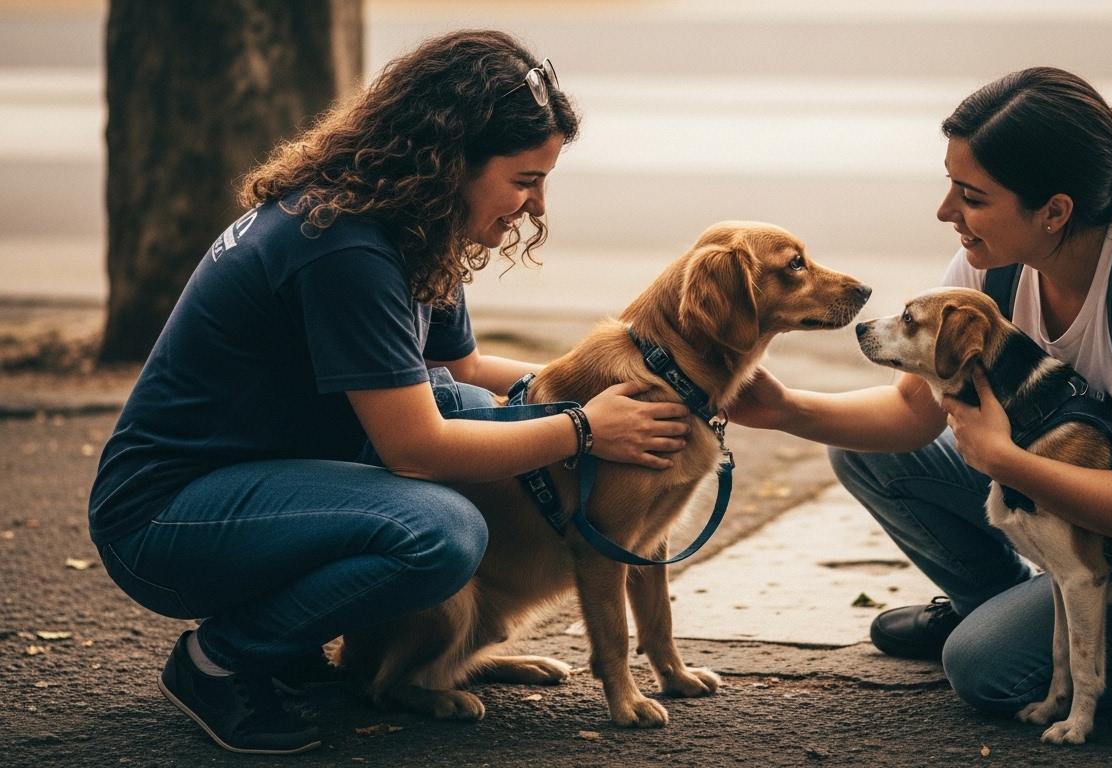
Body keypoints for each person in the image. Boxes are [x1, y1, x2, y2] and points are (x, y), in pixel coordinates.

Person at [87, 30, 692, 756]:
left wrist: (625, 384)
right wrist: (585, 430)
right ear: (453, 159)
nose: (535, 206)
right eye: (526, 178)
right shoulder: (343, 244)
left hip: (256, 487)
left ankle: (430, 643)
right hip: (166, 522)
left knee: (477, 412)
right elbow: (416, 448)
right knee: (440, 531)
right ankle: (222, 661)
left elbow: (463, 372)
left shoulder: (412, 226)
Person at [728, 66, 1112, 714]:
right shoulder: (993, 263)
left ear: (1054, 212)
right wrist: (783, 410)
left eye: (971, 196)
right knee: (866, 453)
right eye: (950, 185)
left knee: (985, 672)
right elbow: (909, 412)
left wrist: (1006, 461)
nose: (946, 212)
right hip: (1088, 503)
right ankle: (1004, 609)